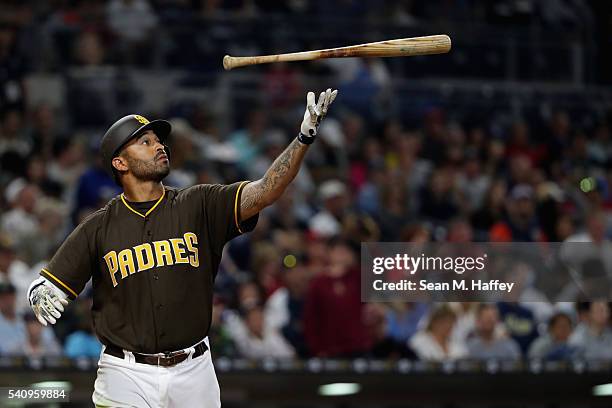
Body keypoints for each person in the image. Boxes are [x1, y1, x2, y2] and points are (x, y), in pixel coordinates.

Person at [26, 89, 338, 407]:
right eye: (145, 142)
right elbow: (47, 283)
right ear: (120, 162)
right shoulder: (98, 227)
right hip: (126, 373)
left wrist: (303, 138)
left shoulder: (198, 203)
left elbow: (265, 191)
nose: (159, 146)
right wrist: (41, 293)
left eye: (159, 141)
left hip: (194, 370)